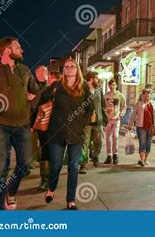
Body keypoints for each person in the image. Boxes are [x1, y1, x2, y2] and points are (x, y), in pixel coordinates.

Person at [0, 37, 40, 210]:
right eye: (18, 47)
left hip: (22, 125)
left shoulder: (24, 70)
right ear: (7, 50)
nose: (21, 49)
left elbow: (36, 91)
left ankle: (11, 191)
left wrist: (29, 104)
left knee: (26, 164)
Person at [41, 59, 94, 210]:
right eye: (67, 67)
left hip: (76, 133)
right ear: (63, 70)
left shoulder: (83, 87)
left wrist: (83, 122)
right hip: (57, 132)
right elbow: (42, 98)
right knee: (56, 165)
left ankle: (71, 200)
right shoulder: (57, 85)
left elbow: (90, 108)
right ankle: (51, 188)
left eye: (72, 67)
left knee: (73, 167)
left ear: (77, 70)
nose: (69, 69)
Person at [79, 72, 108, 173]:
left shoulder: (99, 90)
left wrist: (105, 118)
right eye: (96, 78)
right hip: (86, 122)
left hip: (98, 121)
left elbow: (103, 105)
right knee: (84, 144)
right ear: (91, 79)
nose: (98, 80)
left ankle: (95, 156)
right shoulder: (82, 89)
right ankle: (82, 164)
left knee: (98, 142)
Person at [128, 89, 155, 166]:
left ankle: (146, 159)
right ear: (142, 95)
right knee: (142, 142)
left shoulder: (154, 104)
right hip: (141, 126)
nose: (146, 96)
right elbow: (133, 115)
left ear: (150, 95)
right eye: (144, 94)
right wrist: (130, 125)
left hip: (151, 127)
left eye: (148, 94)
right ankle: (141, 160)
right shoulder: (138, 104)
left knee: (148, 143)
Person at [32, 65, 50, 191]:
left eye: (44, 71)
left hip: (50, 124)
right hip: (36, 123)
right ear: (35, 73)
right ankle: (44, 178)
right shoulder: (31, 86)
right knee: (40, 150)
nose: (42, 73)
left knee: (48, 150)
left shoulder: (52, 87)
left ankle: (48, 177)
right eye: (40, 71)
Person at [103, 79, 127, 165]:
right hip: (107, 120)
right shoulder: (105, 95)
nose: (111, 86)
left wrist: (121, 115)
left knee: (115, 136)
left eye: (113, 85)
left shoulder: (120, 95)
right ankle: (109, 155)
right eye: (110, 85)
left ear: (116, 85)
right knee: (107, 138)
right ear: (108, 86)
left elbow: (124, 106)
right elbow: (102, 106)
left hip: (116, 119)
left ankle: (115, 155)